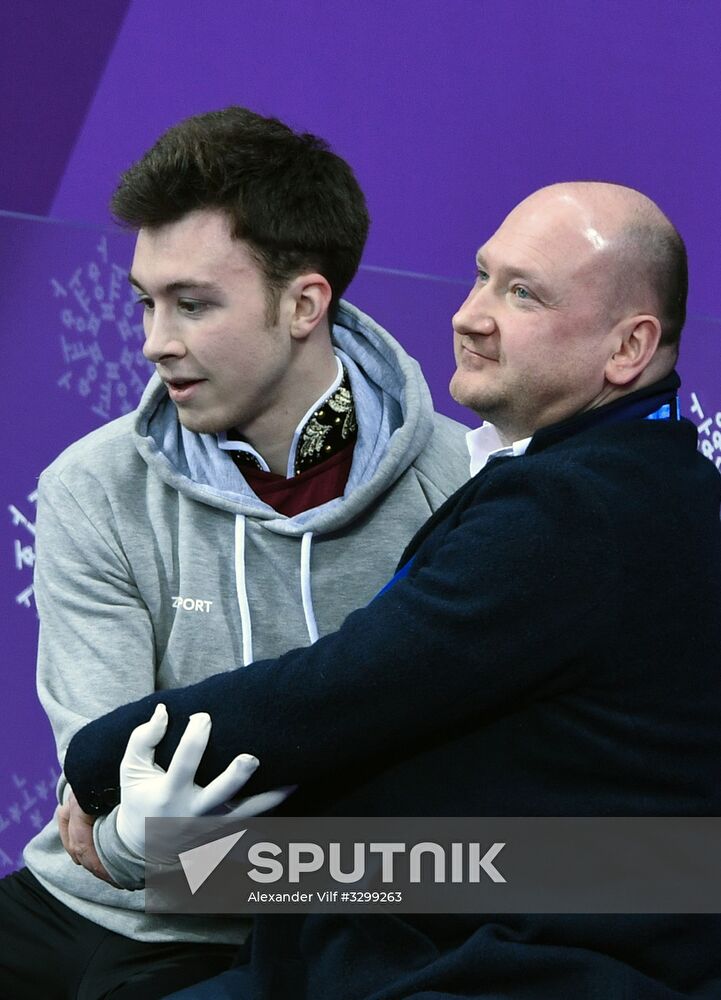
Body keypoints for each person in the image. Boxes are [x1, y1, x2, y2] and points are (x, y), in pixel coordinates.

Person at [66, 181, 721, 998]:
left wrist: (96, 763)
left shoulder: (578, 509)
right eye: (482, 276)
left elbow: (334, 695)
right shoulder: (643, 483)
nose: (470, 315)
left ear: (627, 349)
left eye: (521, 295)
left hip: (503, 963)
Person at [0, 107, 470, 999]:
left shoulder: (461, 485)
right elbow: (100, 795)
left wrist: (160, 849)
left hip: (288, 938)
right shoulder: (90, 485)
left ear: (304, 303)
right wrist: (127, 843)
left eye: (193, 304)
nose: (153, 342)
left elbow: (466, 827)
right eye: (146, 301)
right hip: (70, 904)